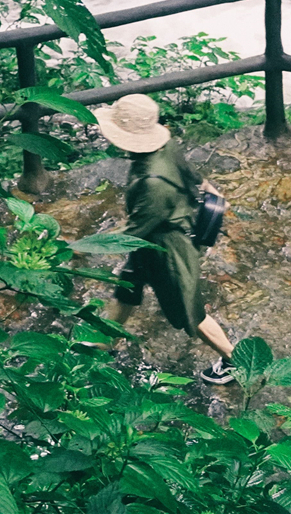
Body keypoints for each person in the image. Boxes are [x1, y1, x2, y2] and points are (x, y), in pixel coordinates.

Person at [93, 93, 238, 384]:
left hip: (168, 250)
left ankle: (236, 361)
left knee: (190, 312)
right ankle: (103, 346)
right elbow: (193, 177)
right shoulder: (166, 145)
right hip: (160, 236)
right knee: (127, 289)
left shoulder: (153, 184)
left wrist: (82, 248)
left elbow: (134, 232)